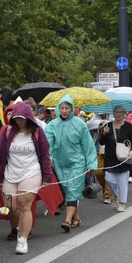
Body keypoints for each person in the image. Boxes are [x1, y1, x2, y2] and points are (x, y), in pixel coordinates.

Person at [0, 101, 53, 254]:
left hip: (31, 172)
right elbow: (0, 153)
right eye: (17, 117)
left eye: (22, 117)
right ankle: (20, 226)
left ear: (29, 117)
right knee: (11, 207)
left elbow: (44, 155)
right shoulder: (7, 131)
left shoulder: (37, 133)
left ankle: (23, 239)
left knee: (24, 205)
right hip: (10, 173)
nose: (19, 120)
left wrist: (47, 177)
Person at [45, 94, 98, 232]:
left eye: (67, 108)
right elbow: (48, 144)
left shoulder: (79, 124)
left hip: (77, 163)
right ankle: (77, 218)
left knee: (73, 189)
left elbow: (88, 145)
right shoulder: (52, 125)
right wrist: (48, 158)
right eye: (61, 108)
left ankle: (67, 221)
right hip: (60, 163)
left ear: (71, 109)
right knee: (68, 190)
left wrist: (91, 163)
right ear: (58, 109)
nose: (64, 110)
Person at [98, 105, 132, 212]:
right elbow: (101, 142)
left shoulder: (128, 127)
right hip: (110, 158)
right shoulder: (108, 125)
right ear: (113, 113)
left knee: (123, 182)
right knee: (109, 179)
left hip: (124, 158)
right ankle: (116, 195)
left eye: (121, 112)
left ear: (124, 114)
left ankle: (122, 203)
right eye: (116, 112)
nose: (118, 114)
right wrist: (104, 133)